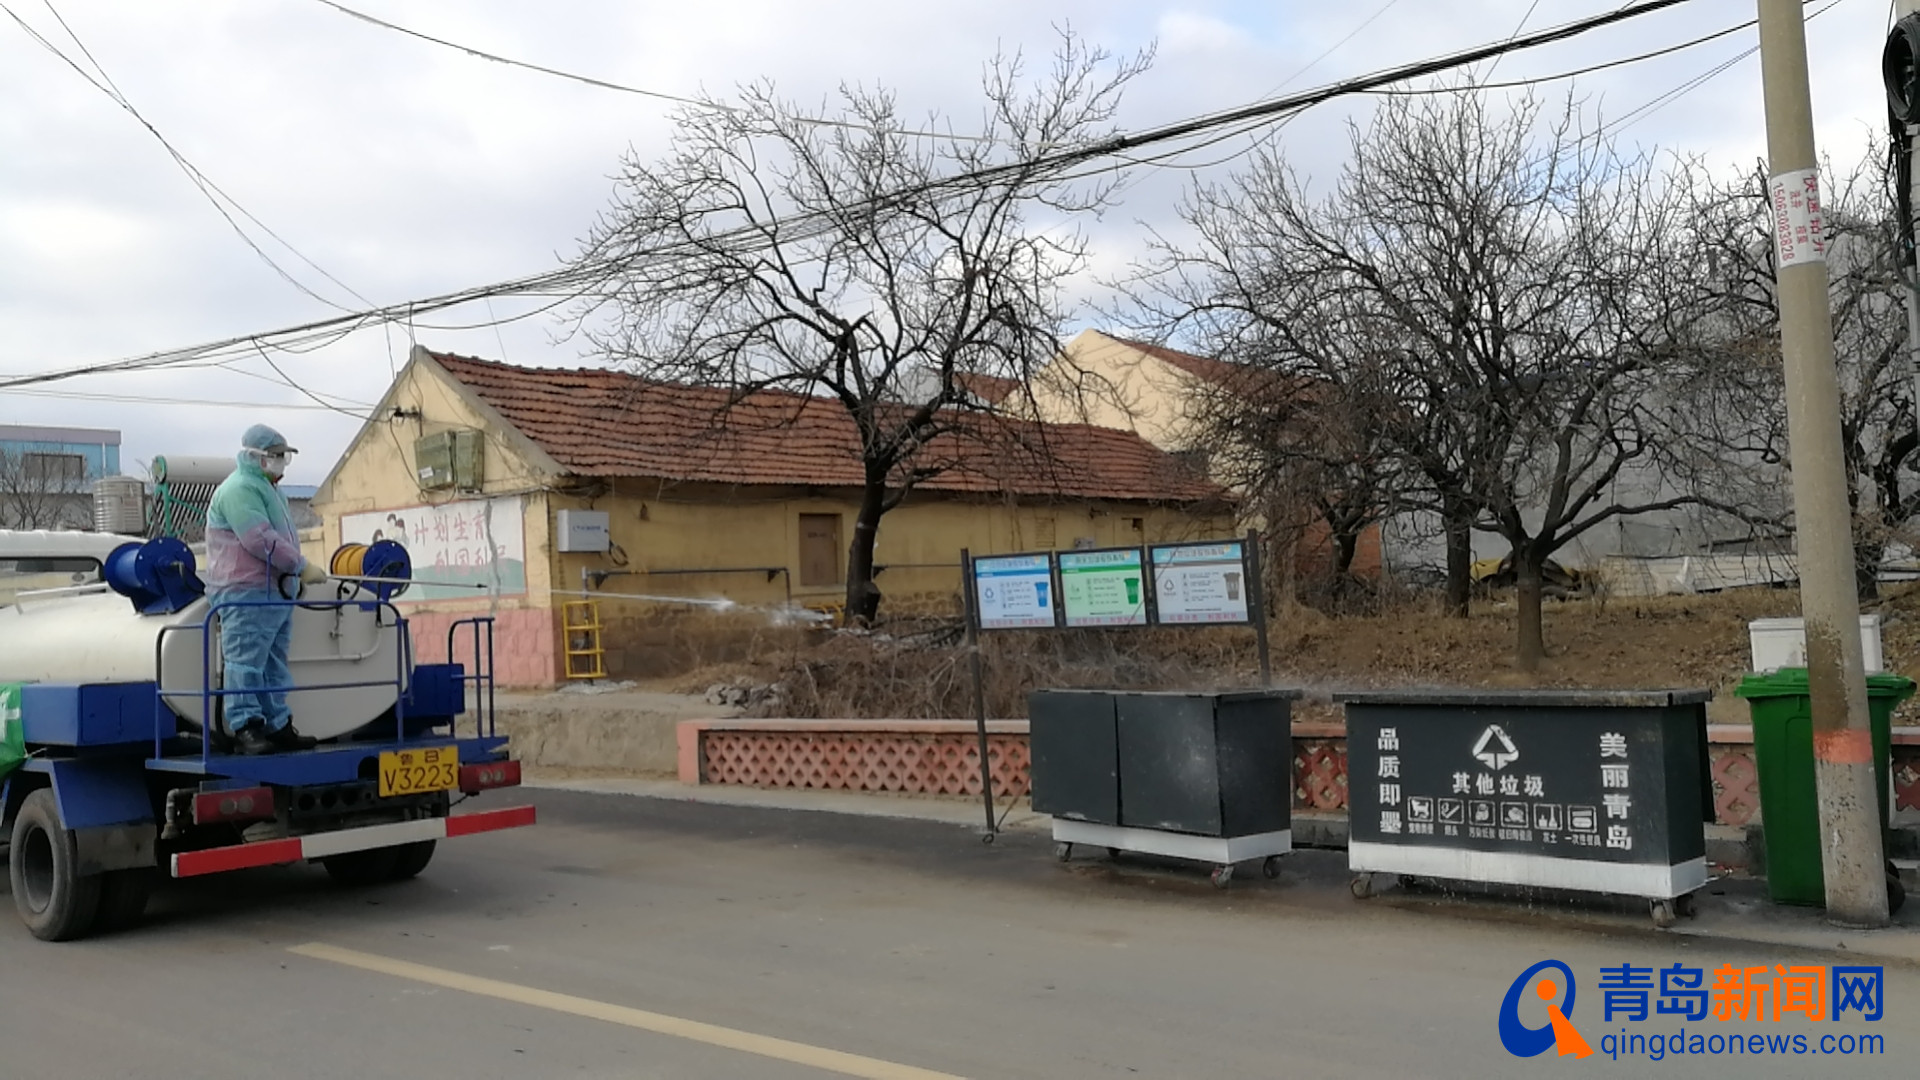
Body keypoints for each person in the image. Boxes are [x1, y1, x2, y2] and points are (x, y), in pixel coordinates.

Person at [204, 424, 327, 755]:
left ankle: (277, 724)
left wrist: (295, 573)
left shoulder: (269, 489)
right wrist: (300, 565)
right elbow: (258, 538)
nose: (281, 462)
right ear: (255, 456)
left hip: (272, 592)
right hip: (245, 591)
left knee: (273, 662)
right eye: (276, 455)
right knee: (244, 662)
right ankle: (246, 726)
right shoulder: (240, 489)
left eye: (284, 456)